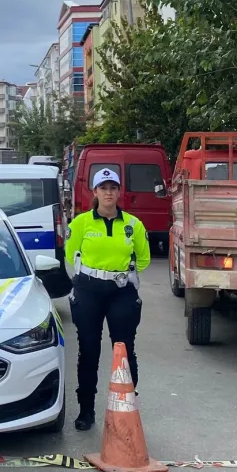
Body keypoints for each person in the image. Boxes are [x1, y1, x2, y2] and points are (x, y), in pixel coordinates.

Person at [64, 168, 150, 432]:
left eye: (113, 187)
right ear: (95, 192)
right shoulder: (80, 223)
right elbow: (70, 254)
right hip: (89, 290)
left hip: (121, 292)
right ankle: (86, 411)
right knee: (88, 350)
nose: (109, 192)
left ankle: (125, 409)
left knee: (123, 350)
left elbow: (144, 258)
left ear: (119, 192)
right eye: (104, 188)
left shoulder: (133, 224)